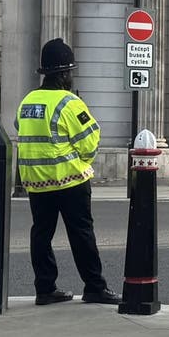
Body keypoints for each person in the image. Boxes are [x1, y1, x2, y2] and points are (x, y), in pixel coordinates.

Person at [15, 38, 120, 306]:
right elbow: (89, 141)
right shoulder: (69, 102)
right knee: (81, 233)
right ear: (63, 74)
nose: (71, 76)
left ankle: (45, 289)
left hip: (37, 182)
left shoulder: (27, 101)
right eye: (70, 71)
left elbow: (20, 128)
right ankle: (95, 287)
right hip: (70, 180)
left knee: (41, 233)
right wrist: (81, 160)